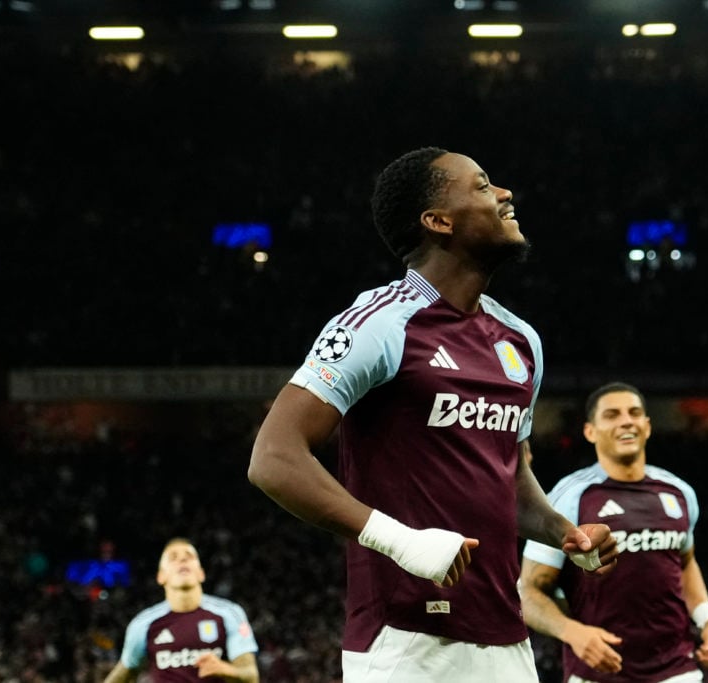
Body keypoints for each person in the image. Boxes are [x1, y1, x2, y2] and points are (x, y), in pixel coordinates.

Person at [247, 146, 619, 682]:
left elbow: (509, 480)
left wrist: (564, 532)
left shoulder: (521, 342)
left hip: (507, 638)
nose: (505, 194)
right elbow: (273, 458)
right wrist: (401, 540)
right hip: (406, 640)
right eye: (484, 186)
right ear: (438, 221)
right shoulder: (379, 323)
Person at [520, 381, 708, 683]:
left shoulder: (679, 493)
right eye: (612, 415)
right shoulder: (570, 496)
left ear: (647, 426)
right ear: (590, 431)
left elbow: (685, 563)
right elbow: (527, 591)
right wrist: (573, 633)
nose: (626, 421)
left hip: (677, 669)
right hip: (598, 673)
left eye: (634, 413)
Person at [102, 537, 259, 683]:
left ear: (201, 574)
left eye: (189, 556)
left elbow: (251, 676)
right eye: (173, 557)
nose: (182, 559)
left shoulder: (229, 613)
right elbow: (125, 671)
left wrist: (226, 670)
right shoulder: (143, 624)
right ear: (161, 576)